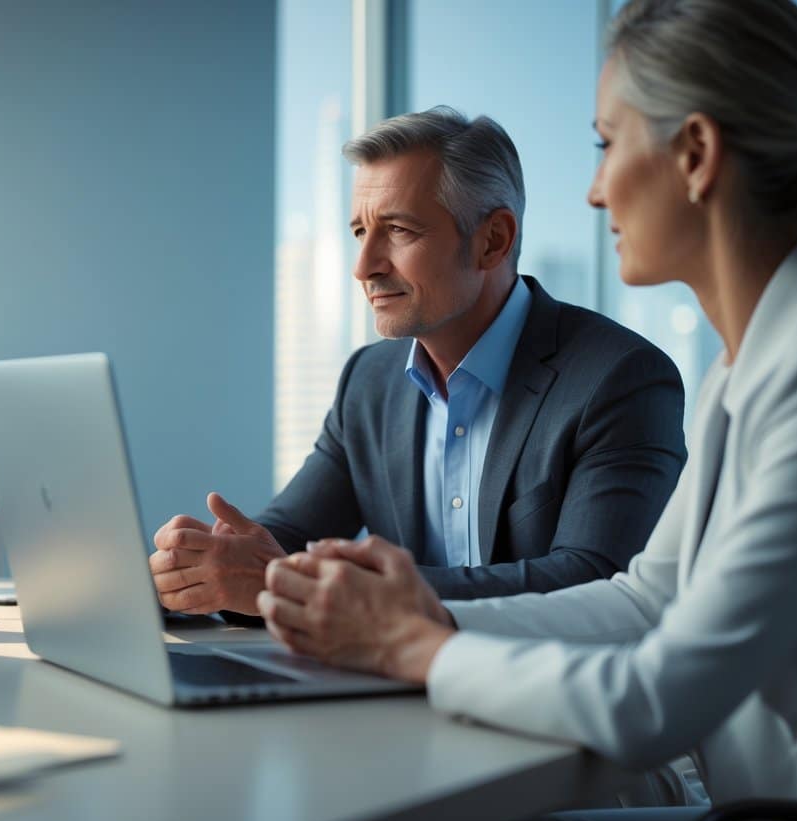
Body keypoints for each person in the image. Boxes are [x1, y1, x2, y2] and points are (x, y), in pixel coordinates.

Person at [260, 0, 797, 821]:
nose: (590, 190)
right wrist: (424, 616)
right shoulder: (751, 363)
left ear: (694, 154)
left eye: (606, 145)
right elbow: (644, 601)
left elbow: (658, 699)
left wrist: (414, 648)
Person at [151, 109, 686, 618]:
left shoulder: (620, 378)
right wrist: (195, 572)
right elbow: (280, 540)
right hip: (391, 694)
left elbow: (595, 584)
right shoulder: (369, 382)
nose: (364, 266)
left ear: (492, 241)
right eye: (360, 231)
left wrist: (298, 583)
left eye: (399, 230)